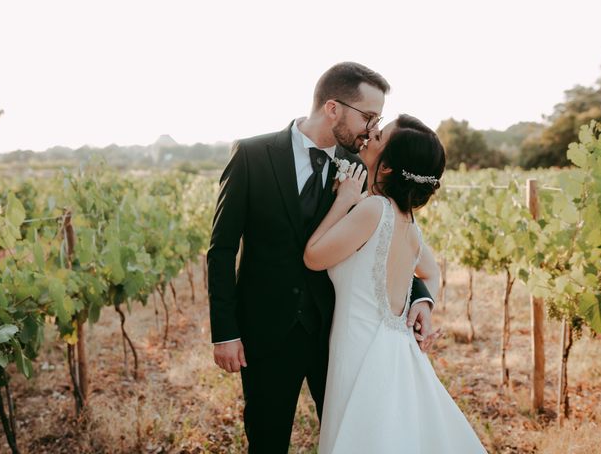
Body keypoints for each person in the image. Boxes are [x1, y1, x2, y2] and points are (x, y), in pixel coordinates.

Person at [207, 62, 436, 453]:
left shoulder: (366, 166)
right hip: (267, 330)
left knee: (348, 436)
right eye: (368, 116)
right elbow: (222, 248)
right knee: (266, 438)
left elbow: (388, 244)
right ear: (333, 108)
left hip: (337, 332)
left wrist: (422, 300)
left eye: (377, 119)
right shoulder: (252, 154)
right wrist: (225, 332)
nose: (371, 128)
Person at [304, 114, 486, 453]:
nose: (371, 135)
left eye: (379, 137)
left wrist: (344, 199)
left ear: (386, 168)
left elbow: (313, 257)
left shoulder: (372, 209)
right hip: (394, 345)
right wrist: (423, 305)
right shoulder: (409, 224)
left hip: (359, 348)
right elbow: (430, 273)